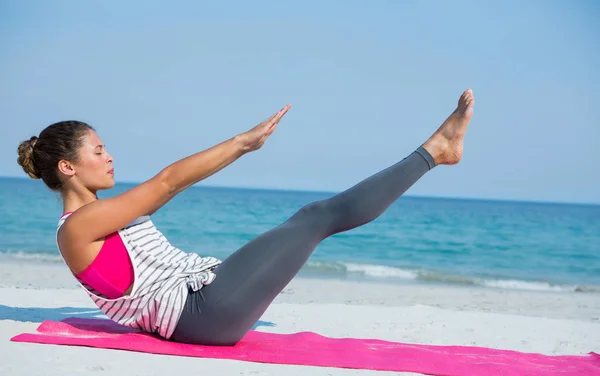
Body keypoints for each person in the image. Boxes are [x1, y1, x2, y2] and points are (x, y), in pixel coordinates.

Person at [16, 89, 475, 345]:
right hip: (202, 312)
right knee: (316, 217)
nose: (110, 157)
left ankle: (435, 152)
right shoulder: (78, 228)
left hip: (206, 305)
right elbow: (167, 182)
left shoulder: (97, 218)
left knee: (309, 220)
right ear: (68, 167)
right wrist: (242, 143)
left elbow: (167, 188)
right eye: (99, 151)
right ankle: (435, 151)